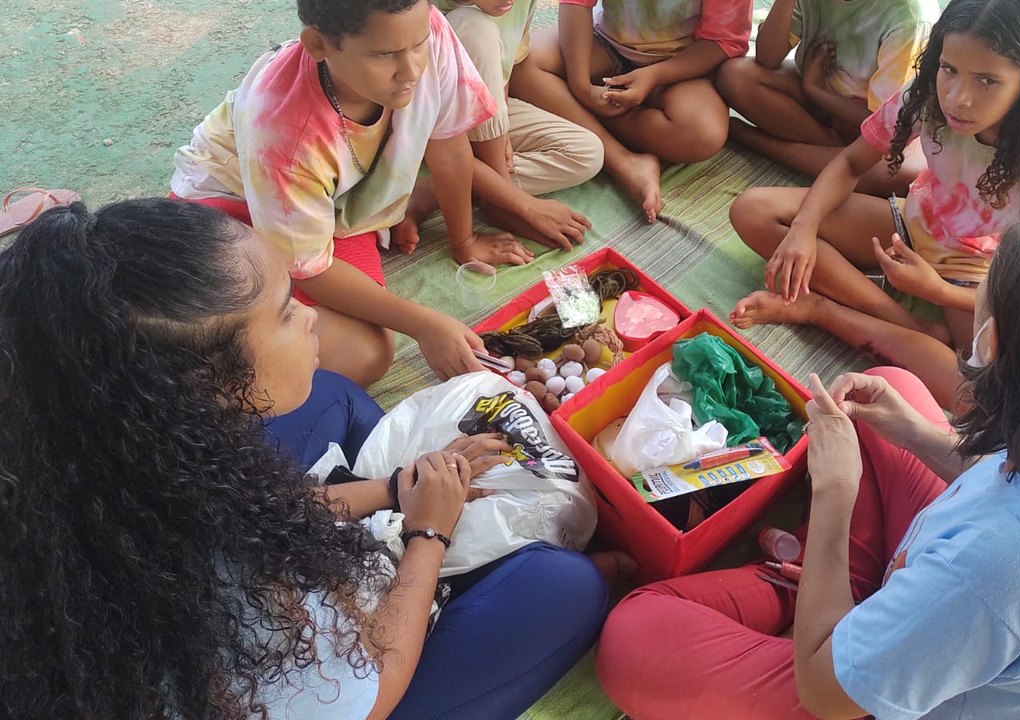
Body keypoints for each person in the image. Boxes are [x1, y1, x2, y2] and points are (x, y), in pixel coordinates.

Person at [596, 180, 1020, 719]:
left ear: (992, 345)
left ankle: (827, 613)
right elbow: (1019, 483)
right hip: (992, 616)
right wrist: (914, 431)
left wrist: (835, 493)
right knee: (891, 391)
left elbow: (824, 696)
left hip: (889, 682)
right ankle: (843, 602)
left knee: (635, 637)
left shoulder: (1006, 566)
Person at [0, 198, 608, 720]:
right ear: (209, 382)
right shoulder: (236, 601)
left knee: (330, 395)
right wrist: (428, 534)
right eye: (287, 310)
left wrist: (394, 488)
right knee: (567, 588)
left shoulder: (90, 449)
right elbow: (371, 691)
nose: (311, 314)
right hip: (338, 691)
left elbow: (255, 509)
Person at [729, 0, 1020, 410]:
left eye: (987, 81)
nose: (957, 98)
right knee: (753, 211)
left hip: (986, 271)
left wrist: (940, 291)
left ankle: (821, 311)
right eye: (949, 69)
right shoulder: (926, 92)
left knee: (982, 396)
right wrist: (804, 228)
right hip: (913, 224)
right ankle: (905, 322)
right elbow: (851, 162)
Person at [171, 0, 536, 388]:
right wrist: (424, 324)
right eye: (384, 55)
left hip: (336, 210)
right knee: (362, 353)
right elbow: (310, 269)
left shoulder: (425, 32)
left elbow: (449, 146)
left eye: (419, 45)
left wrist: (464, 241)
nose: (411, 70)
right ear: (318, 45)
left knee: (365, 344)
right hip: (231, 211)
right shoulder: (283, 131)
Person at [509, 0, 753, 223]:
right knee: (517, 66)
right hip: (603, 42)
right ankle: (624, 161)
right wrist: (580, 85)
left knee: (702, 134)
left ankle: (575, 109)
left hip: (681, 67)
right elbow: (576, 4)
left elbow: (722, 42)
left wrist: (654, 75)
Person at [716, 0, 939, 194]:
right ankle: (833, 152)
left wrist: (816, 91)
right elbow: (767, 58)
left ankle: (753, 139)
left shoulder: (909, 17)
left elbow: (889, 123)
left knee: (891, 173)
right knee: (734, 77)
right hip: (815, 98)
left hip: (876, 127)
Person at [440, 0, 604, 251]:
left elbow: (504, 68)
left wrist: (502, 128)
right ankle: (498, 199)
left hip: (487, 109)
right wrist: (525, 206)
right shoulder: (421, 12)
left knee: (588, 153)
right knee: (473, 26)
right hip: (438, 123)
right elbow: (441, 142)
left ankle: (441, 188)